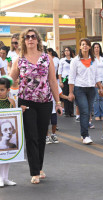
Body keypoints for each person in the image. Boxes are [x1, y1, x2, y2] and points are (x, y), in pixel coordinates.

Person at [10, 28, 62, 184]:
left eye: (33, 37)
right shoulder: (19, 60)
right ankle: (34, 172)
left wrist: (58, 102)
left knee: (40, 137)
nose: (30, 39)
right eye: (27, 37)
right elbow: (10, 80)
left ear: (38, 40)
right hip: (26, 103)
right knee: (31, 136)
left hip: (45, 102)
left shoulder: (47, 58)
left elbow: (53, 81)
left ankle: (39, 167)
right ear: (24, 41)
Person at [68, 38, 103, 145]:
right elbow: (71, 77)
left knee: (88, 112)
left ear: (89, 47)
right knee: (84, 111)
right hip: (79, 89)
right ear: (80, 47)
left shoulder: (94, 60)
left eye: (87, 45)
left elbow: (97, 76)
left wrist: (100, 88)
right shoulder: (75, 60)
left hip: (91, 89)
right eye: (83, 44)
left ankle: (83, 132)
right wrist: (70, 92)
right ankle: (85, 135)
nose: (85, 46)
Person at [0, 77, 16, 187]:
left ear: (8, 90)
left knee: (7, 155)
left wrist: (21, 110)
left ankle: (5, 178)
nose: (0, 92)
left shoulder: (11, 102)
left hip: (7, 135)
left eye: (2, 90)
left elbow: (15, 117)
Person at [58, 47, 75, 117]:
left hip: (72, 79)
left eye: (68, 50)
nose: (66, 52)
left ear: (70, 52)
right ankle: (67, 111)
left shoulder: (73, 60)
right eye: (65, 51)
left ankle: (71, 112)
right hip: (65, 79)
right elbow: (59, 71)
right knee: (65, 94)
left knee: (71, 94)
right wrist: (60, 81)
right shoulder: (62, 60)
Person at [92, 43, 103, 121]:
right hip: (95, 80)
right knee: (96, 99)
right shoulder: (91, 58)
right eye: (95, 47)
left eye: (98, 47)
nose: (96, 49)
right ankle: (97, 114)